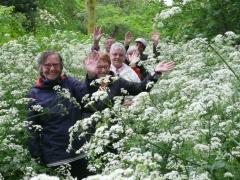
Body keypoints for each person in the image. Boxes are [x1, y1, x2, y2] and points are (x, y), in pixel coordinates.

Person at [26, 51, 94, 179]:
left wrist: (90, 76)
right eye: (47, 65)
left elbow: (88, 98)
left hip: (79, 153)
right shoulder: (34, 94)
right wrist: (36, 157)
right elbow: (31, 129)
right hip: (55, 158)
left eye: (56, 65)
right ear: (41, 67)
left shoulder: (70, 83)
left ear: (61, 66)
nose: (52, 69)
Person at [83, 51, 175, 109]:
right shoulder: (90, 83)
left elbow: (140, 88)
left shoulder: (117, 81)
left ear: (110, 66)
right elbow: (96, 104)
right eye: (99, 67)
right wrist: (120, 103)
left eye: (105, 67)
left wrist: (155, 73)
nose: (103, 70)